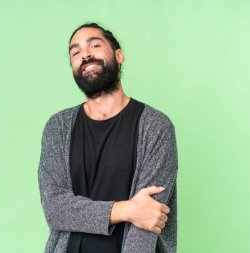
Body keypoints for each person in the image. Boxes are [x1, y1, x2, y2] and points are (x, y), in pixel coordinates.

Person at [38, 23, 178, 253]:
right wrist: (127, 210)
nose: (85, 54)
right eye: (76, 52)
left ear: (119, 55)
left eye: (95, 44)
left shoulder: (156, 127)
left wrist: (136, 211)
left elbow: (148, 219)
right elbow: (55, 209)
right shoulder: (58, 127)